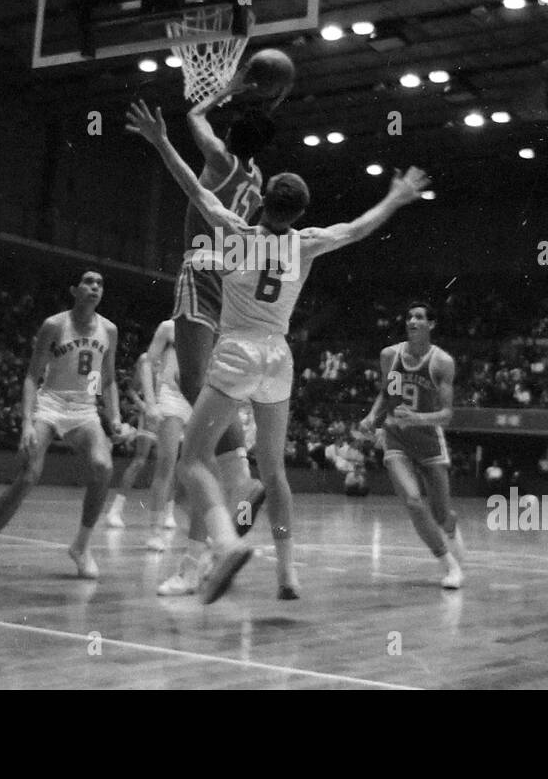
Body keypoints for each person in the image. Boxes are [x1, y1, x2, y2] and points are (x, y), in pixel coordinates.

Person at [125, 98, 431, 603]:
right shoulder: (306, 243)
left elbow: (194, 188)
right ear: (300, 211)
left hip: (239, 352)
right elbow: (355, 229)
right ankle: (288, 573)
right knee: (274, 472)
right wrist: (395, 198)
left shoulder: (240, 234)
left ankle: (224, 543)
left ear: (262, 200)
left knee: (192, 459)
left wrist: (160, 141)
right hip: (279, 360)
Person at [156, 72, 276, 595]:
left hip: (200, 272)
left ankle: (236, 480)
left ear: (230, 140)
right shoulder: (258, 176)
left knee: (193, 388)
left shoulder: (223, 162)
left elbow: (193, 118)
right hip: (230, 282)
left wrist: (228, 89)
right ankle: (240, 478)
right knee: (207, 386)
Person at [0, 271, 124, 580]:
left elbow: (109, 379)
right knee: (29, 475)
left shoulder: (110, 330)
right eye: (88, 282)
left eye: (100, 284)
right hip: (49, 404)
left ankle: (81, 547)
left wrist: (114, 415)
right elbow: (31, 376)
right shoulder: (54, 325)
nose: (95, 287)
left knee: (103, 467)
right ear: (74, 290)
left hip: (85, 409)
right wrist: (27, 423)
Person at [360, 302, 465, 588]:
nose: (413, 321)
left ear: (431, 325)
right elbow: (387, 392)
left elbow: (446, 415)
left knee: (442, 514)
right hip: (396, 439)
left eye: (419, 317)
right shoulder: (389, 355)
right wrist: (372, 416)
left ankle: (451, 527)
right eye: (409, 316)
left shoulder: (442, 362)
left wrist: (416, 418)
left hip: (430, 440)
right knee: (414, 502)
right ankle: (449, 566)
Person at [103, 350, 176, 549]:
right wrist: (145, 406)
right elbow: (132, 390)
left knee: (170, 464)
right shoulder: (145, 359)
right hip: (152, 416)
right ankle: (115, 511)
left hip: (173, 414)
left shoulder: (178, 356)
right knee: (140, 461)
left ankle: (169, 515)